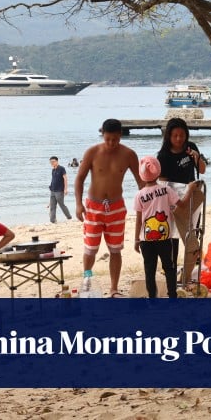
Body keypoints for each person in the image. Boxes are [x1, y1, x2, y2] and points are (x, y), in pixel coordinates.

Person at [75, 119, 144, 298]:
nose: (112, 143)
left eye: (115, 139)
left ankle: (114, 288)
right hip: (93, 207)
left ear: (120, 135)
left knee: (115, 249)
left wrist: (148, 203)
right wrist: (78, 204)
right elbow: (79, 178)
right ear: (102, 135)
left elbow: (140, 182)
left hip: (116, 207)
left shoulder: (129, 154)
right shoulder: (92, 152)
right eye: (108, 139)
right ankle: (87, 282)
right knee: (90, 249)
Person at [156, 117, 207, 287]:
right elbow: (162, 184)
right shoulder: (163, 155)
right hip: (174, 200)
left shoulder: (191, 147)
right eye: (175, 136)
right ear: (169, 136)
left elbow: (202, 170)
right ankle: (171, 272)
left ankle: (187, 273)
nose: (179, 139)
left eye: (182, 135)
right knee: (173, 238)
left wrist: (197, 157)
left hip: (192, 196)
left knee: (191, 235)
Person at [133, 156, 179, 298]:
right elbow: (177, 206)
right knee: (169, 267)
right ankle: (172, 295)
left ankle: (152, 298)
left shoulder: (139, 195)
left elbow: (139, 220)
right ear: (158, 171)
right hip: (164, 237)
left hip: (146, 239)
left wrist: (136, 240)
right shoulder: (166, 190)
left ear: (141, 175)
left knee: (149, 269)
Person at [47, 156, 72, 223]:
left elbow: (65, 179)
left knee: (61, 205)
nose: (52, 163)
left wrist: (65, 189)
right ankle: (52, 220)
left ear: (57, 161)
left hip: (59, 191)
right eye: (51, 162)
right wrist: (51, 187)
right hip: (53, 190)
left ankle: (69, 217)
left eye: (53, 161)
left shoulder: (61, 169)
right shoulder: (53, 170)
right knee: (52, 206)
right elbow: (53, 180)